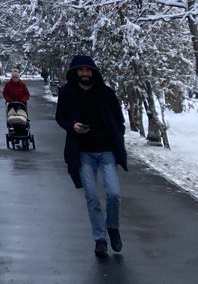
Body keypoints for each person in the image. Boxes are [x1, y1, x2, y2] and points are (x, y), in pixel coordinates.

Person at [55, 55, 127, 256]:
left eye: (88, 70)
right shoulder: (67, 93)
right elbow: (60, 118)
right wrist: (73, 126)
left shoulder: (105, 93)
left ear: (93, 71)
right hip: (83, 153)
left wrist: (117, 136)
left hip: (107, 151)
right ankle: (100, 239)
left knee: (114, 193)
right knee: (92, 197)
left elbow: (118, 119)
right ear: (75, 72)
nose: (84, 73)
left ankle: (112, 227)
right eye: (81, 70)